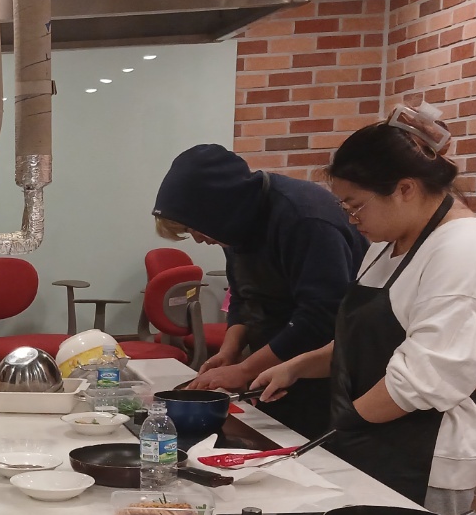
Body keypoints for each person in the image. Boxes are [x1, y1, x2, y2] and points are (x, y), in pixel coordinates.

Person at [253, 107, 476, 515]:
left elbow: (423, 379)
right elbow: (361, 340)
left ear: (405, 189)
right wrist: (297, 366)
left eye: (356, 206)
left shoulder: (463, 248)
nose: (351, 219)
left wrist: (338, 430)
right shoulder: (388, 240)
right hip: (366, 439)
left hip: (419, 458)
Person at [151, 144, 367, 437]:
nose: (199, 240)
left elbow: (321, 315)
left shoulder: (305, 218)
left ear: (220, 207)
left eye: (196, 229)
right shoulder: (233, 224)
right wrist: (230, 352)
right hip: (276, 358)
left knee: (314, 448)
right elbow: (243, 295)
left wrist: (246, 369)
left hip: (326, 364)